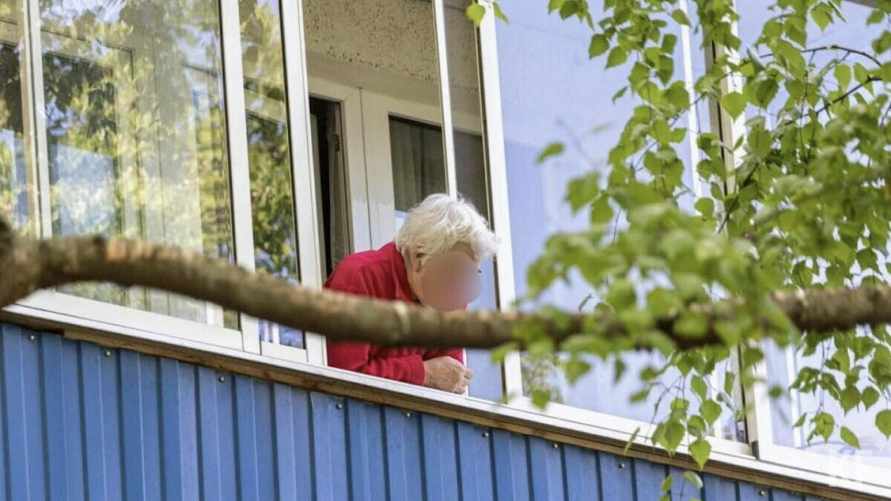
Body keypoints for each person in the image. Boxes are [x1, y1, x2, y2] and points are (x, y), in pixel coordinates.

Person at [325, 194, 498, 393]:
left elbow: (450, 383)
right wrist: (423, 373)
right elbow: (345, 378)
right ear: (417, 257)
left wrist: (436, 377)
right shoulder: (360, 277)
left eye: (470, 273)